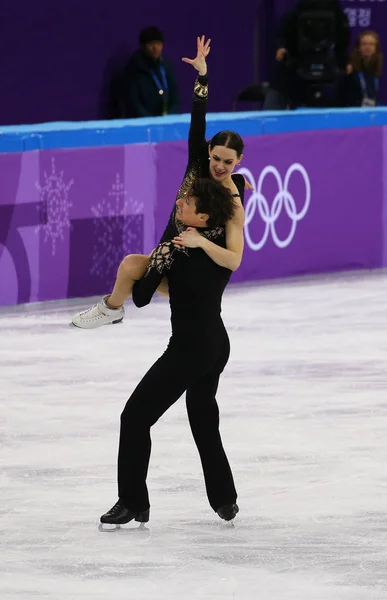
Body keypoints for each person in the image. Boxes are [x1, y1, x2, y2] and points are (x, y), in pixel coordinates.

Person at [72, 36, 248, 329]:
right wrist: (202, 76)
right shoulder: (198, 163)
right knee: (132, 273)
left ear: (238, 160)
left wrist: (201, 240)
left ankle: (118, 309)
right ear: (208, 152)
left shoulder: (232, 203)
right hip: (169, 249)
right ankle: (112, 309)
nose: (219, 166)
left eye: (228, 163)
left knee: (139, 285)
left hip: (196, 271)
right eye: (216, 158)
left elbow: (233, 260)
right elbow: (198, 119)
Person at [100, 177, 241, 527]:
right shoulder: (209, 247)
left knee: (134, 418)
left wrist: (163, 259)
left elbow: (141, 299)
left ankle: (132, 502)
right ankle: (225, 499)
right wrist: (153, 264)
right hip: (216, 345)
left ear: (204, 217)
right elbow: (145, 295)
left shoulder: (187, 250)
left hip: (190, 349)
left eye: (187, 203)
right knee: (203, 418)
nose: (179, 204)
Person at [124, 26, 180, 118]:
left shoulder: (166, 67)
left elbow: (175, 98)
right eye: (151, 44)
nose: (155, 47)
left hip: (166, 121)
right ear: (142, 46)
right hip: (143, 122)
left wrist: (170, 117)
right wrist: (149, 120)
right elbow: (134, 103)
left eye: (158, 44)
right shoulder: (133, 69)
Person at [341, 31, 383, 107]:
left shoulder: (376, 66)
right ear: (358, 47)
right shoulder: (351, 68)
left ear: (376, 48)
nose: (368, 47)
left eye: (371, 44)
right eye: (364, 44)